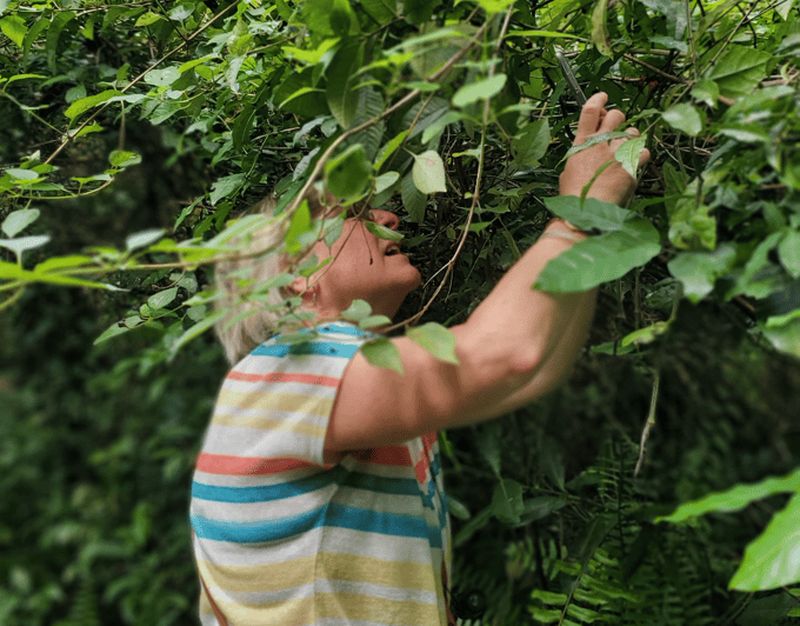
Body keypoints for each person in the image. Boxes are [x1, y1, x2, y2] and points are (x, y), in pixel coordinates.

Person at [189, 91, 650, 625]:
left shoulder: (315, 382)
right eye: (354, 214)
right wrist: (578, 214)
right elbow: (505, 356)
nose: (387, 214)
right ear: (298, 277)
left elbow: (535, 370)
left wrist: (588, 230)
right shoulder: (287, 372)